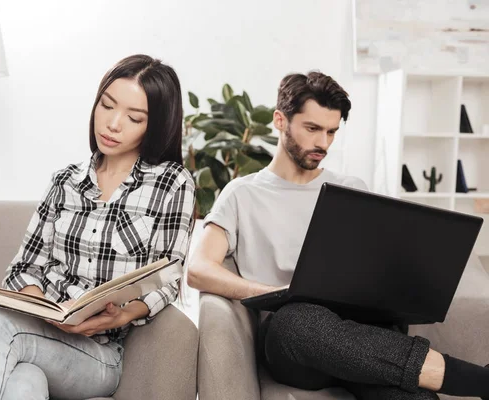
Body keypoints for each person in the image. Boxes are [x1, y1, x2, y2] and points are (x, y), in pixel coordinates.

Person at [188, 71, 489, 400]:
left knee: (405, 392)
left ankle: (431, 374)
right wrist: (276, 292)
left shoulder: (351, 189)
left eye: (332, 132)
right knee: (297, 320)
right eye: (313, 129)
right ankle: (471, 379)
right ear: (279, 120)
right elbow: (199, 269)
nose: (323, 143)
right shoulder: (241, 193)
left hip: (364, 333)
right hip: (295, 341)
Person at [0, 54, 196, 400]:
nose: (113, 124)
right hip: (41, 333)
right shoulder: (65, 181)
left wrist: (120, 316)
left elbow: (168, 278)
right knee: (24, 384)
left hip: (100, 354)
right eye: (107, 106)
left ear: (153, 126)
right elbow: (22, 269)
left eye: (134, 118)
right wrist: (46, 311)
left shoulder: (172, 183)